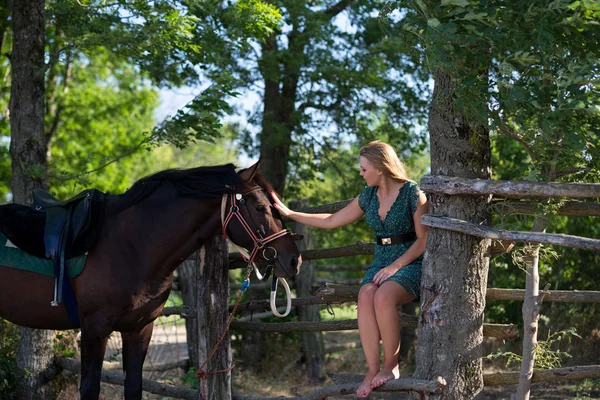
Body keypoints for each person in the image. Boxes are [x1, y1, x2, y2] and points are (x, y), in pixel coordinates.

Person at [272, 140, 428, 398]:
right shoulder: (367, 195)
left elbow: (423, 239)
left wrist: (395, 267)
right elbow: (333, 220)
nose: (361, 173)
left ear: (380, 167)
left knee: (383, 296)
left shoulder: (413, 193)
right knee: (365, 295)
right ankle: (372, 369)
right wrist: (291, 213)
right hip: (381, 261)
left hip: (409, 260)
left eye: (364, 168)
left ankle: (391, 366)